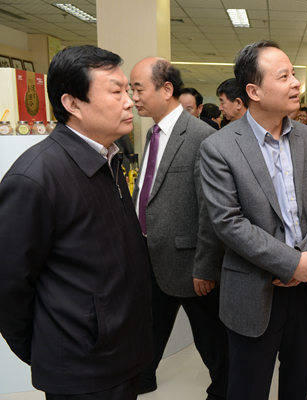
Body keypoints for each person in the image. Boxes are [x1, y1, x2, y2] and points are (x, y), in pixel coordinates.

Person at [0, 45, 152, 399]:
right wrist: (50, 346)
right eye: (116, 92)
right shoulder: (35, 177)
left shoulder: (110, 157)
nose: (129, 102)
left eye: (128, 90)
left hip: (123, 352)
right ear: (72, 103)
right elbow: (9, 285)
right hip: (83, 366)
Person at [200, 40, 307, 400]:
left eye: (294, 74)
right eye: (284, 76)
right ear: (254, 91)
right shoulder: (220, 147)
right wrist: (290, 262)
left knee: (298, 384)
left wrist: (305, 261)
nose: (296, 83)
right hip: (254, 288)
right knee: (248, 388)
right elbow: (228, 222)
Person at [130, 57, 228, 399]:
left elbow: (212, 210)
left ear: (166, 89)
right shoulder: (153, 133)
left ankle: (224, 389)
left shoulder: (201, 136)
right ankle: (144, 378)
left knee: (209, 335)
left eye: (138, 89)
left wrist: (206, 266)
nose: (133, 98)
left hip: (190, 263)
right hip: (151, 253)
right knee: (151, 325)